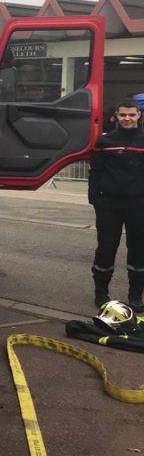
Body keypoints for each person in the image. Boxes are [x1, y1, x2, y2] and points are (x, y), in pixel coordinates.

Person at [88, 98, 144, 313]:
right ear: (116, 116)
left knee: (139, 249)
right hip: (109, 204)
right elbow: (95, 172)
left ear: (139, 115)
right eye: (123, 115)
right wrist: (95, 199)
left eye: (131, 114)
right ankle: (101, 292)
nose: (127, 118)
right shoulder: (105, 141)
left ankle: (136, 294)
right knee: (106, 248)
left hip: (138, 204)